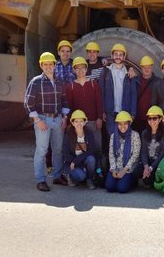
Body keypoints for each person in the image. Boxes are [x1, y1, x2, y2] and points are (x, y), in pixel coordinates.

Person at [24, 52, 70, 191]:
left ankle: (57, 176)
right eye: (45, 64)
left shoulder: (59, 82)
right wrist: (37, 120)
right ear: (41, 65)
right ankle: (40, 180)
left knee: (57, 149)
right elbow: (27, 103)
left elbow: (64, 100)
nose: (48, 67)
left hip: (57, 119)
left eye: (51, 64)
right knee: (42, 150)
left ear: (55, 65)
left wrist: (64, 117)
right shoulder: (36, 82)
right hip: (42, 119)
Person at [65, 57, 104, 172]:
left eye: (83, 68)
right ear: (74, 70)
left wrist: (99, 118)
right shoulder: (70, 87)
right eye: (77, 68)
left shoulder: (93, 84)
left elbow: (99, 102)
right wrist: (69, 124)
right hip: (78, 124)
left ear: (86, 69)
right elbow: (69, 107)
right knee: (81, 148)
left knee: (97, 147)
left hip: (92, 122)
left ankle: (98, 172)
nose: (80, 70)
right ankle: (82, 172)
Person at [100, 43, 137, 136]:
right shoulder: (105, 72)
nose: (118, 57)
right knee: (112, 137)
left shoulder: (129, 74)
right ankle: (113, 151)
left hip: (125, 111)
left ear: (124, 57)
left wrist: (133, 113)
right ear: (112, 55)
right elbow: (101, 92)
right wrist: (102, 111)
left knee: (124, 137)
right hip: (110, 112)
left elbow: (133, 94)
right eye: (116, 54)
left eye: (121, 55)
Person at [105, 111, 141, 193]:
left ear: (129, 124)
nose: (122, 126)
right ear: (116, 124)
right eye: (120, 124)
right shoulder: (113, 136)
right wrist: (113, 169)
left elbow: (135, 155)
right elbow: (111, 154)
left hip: (128, 168)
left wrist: (124, 170)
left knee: (121, 189)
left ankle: (132, 181)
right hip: (116, 167)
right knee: (109, 187)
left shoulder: (135, 135)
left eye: (125, 123)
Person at [62, 110, 97, 190]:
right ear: (72, 123)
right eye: (76, 121)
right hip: (71, 163)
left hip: (80, 161)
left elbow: (91, 151)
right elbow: (65, 154)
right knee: (81, 176)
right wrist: (76, 163)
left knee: (91, 159)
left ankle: (89, 180)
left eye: (81, 121)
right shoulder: (68, 135)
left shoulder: (89, 134)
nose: (79, 124)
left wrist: (77, 161)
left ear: (85, 122)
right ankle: (69, 176)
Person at [138, 105, 164, 186]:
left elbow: (162, 154)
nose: (152, 121)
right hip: (148, 162)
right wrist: (146, 166)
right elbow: (144, 152)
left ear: (160, 119)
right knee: (135, 172)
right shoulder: (144, 133)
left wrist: (151, 168)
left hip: (158, 163)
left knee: (147, 180)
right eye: (149, 118)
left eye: (155, 118)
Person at [132, 55, 161, 132]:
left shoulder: (158, 82)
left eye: (148, 67)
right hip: (137, 118)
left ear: (152, 67)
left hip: (152, 119)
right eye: (144, 67)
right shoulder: (135, 81)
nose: (146, 69)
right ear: (141, 68)